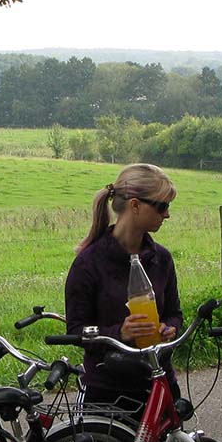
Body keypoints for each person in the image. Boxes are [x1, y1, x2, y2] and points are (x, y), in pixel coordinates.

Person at [65, 163, 184, 409]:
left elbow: (174, 313)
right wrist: (119, 333)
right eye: (162, 206)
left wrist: (169, 328)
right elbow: (76, 330)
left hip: (158, 382)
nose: (167, 215)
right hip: (108, 391)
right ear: (135, 205)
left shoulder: (162, 259)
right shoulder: (89, 263)